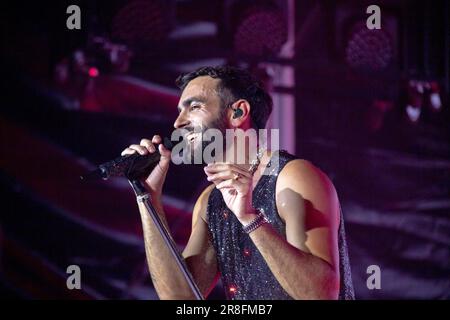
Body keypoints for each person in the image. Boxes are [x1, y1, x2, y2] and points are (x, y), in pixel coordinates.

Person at [121, 66, 354, 300]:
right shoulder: (210, 201)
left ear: (238, 113)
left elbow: (321, 296)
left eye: (194, 107)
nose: (178, 123)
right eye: (180, 111)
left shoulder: (292, 177)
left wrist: (250, 219)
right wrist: (148, 198)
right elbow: (181, 299)